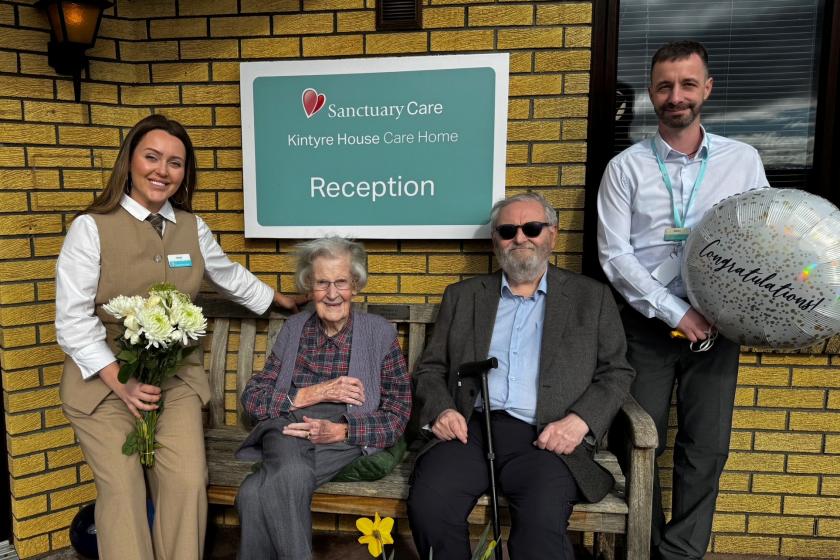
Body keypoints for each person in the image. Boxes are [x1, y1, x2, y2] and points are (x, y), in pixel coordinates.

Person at [55, 114, 303, 560]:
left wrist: (277, 299)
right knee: (124, 491)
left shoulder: (192, 226)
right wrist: (120, 383)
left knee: (187, 483)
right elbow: (72, 320)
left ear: (185, 173)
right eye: (152, 157)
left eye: (175, 163)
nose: (162, 171)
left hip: (174, 380)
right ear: (129, 161)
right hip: (102, 385)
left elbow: (227, 274)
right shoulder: (91, 228)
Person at [597, 41, 769, 560]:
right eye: (665, 86)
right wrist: (676, 312)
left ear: (707, 89)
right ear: (652, 94)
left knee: (706, 446)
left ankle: (681, 554)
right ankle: (643, 546)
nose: (676, 96)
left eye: (688, 84)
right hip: (646, 325)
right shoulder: (625, 168)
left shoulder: (743, 161)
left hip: (719, 327)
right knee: (638, 440)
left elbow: (766, 236)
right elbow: (614, 255)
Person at [408, 192, 635, 560]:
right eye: (507, 231)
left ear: (552, 235)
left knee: (540, 528)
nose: (520, 238)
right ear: (495, 240)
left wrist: (579, 422)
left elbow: (617, 372)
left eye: (532, 228)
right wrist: (442, 411)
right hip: (470, 431)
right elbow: (431, 368)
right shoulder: (464, 296)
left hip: (546, 436)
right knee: (430, 506)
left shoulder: (590, 298)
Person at [235, 236, 412, 560]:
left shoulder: (379, 333)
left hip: (342, 438)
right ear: (310, 287)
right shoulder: (294, 329)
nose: (332, 293)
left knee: (252, 493)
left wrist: (343, 431)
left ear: (355, 285)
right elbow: (253, 397)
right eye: (322, 283)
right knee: (291, 472)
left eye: (340, 282)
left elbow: (398, 413)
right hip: (287, 426)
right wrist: (309, 394)